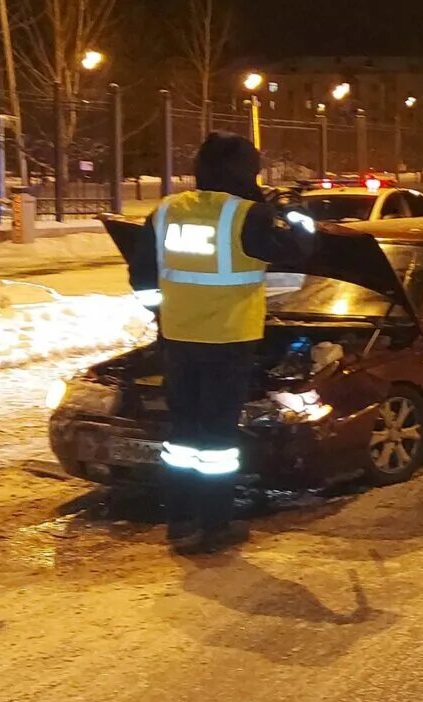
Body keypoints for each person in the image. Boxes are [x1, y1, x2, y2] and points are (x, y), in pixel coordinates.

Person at [127, 133, 317, 554]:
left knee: (182, 435)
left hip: (178, 339)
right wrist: (295, 212)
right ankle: (215, 524)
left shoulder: (167, 210)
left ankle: (179, 520)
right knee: (216, 439)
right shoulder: (247, 215)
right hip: (228, 340)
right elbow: (299, 250)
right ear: (245, 171)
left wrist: (164, 313)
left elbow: (142, 276)